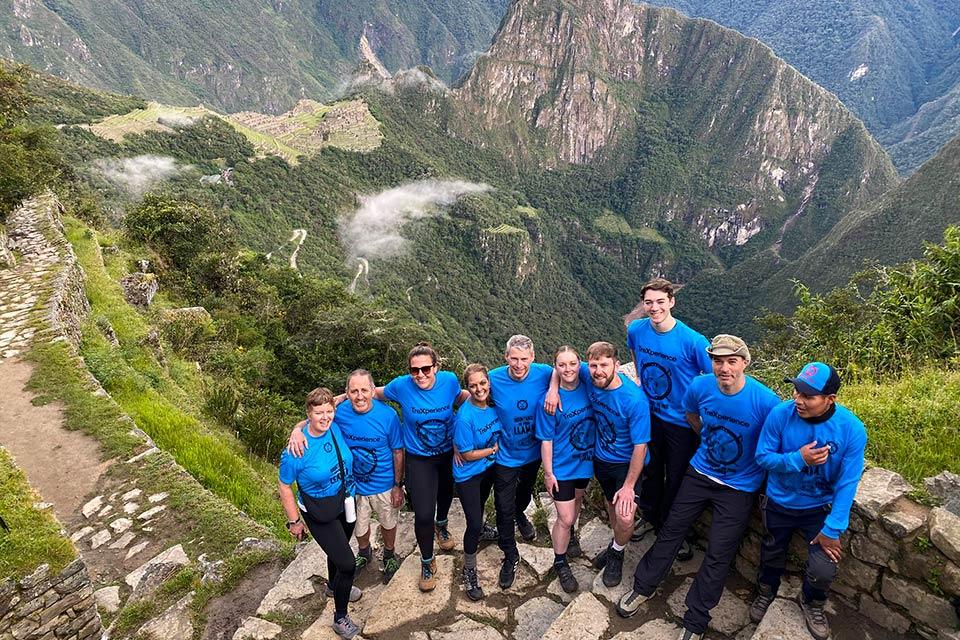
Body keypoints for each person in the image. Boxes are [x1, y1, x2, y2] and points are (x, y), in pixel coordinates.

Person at [616, 335, 780, 640]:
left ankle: (695, 618)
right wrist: (707, 440)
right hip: (700, 471)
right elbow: (691, 414)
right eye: (718, 361)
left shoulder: (766, 402)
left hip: (739, 487)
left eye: (732, 361)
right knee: (671, 530)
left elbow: (774, 443)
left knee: (719, 552)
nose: (724, 368)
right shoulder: (700, 386)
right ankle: (643, 587)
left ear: (745, 363)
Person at [287, 342, 465, 592]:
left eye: (426, 368)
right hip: (414, 460)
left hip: (445, 453)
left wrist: (486, 401)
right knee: (419, 515)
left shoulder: (448, 381)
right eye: (415, 370)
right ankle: (426, 561)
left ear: (436, 367)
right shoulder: (400, 387)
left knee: (444, 495)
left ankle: (441, 524)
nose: (421, 374)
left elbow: (460, 396)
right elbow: (320, 417)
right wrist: (298, 429)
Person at [749, 362, 867, 640]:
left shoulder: (851, 429)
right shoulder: (781, 415)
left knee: (824, 568)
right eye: (796, 391)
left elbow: (848, 482)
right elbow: (762, 456)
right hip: (779, 501)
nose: (798, 400)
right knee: (772, 552)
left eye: (807, 396)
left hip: (818, 508)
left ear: (830, 400)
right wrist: (798, 458)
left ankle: (813, 601)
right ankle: (766, 590)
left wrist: (833, 527)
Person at [627, 278, 711, 560]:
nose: (654, 307)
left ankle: (672, 530)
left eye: (660, 301)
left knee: (677, 476)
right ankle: (650, 517)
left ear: (672, 302)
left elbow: (713, 377)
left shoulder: (693, 341)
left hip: (680, 422)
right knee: (651, 470)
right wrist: (640, 378)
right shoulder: (637, 330)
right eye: (649, 302)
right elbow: (633, 351)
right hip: (650, 415)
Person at [279, 388, 361, 639]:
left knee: (339, 548)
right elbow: (284, 485)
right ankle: (340, 617)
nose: (325, 417)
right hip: (318, 511)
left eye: (328, 412)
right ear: (308, 414)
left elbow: (333, 401)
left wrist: (348, 395)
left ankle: (333, 586)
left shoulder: (332, 425)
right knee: (347, 564)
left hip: (344, 500)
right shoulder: (297, 448)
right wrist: (294, 522)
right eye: (318, 413)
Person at [580, 341, 650, 588]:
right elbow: (561, 367)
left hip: (626, 464)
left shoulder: (634, 400)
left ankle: (617, 552)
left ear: (617, 366)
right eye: (593, 365)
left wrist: (630, 485)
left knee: (625, 516)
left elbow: (640, 446)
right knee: (612, 506)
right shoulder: (589, 377)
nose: (598, 371)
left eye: (604, 365)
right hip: (602, 461)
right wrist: (555, 389)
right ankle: (615, 544)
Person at [488, 334, 554, 588]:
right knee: (502, 507)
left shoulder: (544, 373)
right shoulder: (494, 377)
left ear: (533, 358)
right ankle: (510, 553)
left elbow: (564, 372)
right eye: (513, 358)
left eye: (524, 359)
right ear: (505, 357)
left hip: (533, 454)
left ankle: (520, 514)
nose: (518, 364)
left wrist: (555, 389)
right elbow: (473, 391)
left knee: (524, 496)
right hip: (505, 455)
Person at [335, 370, 405, 584]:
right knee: (359, 526)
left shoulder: (388, 416)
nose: (359, 396)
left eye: (364, 390)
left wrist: (397, 485)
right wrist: (297, 431)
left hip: (384, 484)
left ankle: (389, 555)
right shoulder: (339, 413)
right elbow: (315, 421)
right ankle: (364, 553)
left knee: (388, 521)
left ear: (373, 391)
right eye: (354, 391)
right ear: (346, 393)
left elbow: (398, 451)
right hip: (354, 486)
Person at [535, 345, 595, 593]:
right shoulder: (549, 402)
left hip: (585, 462)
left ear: (579, 364)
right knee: (565, 516)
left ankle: (572, 538)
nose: (568, 369)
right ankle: (560, 561)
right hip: (562, 467)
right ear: (555, 368)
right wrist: (548, 473)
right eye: (562, 365)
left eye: (572, 364)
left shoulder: (588, 384)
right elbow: (546, 439)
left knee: (578, 500)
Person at [453, 364, 502, 600]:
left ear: (488, 383)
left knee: (481, 507)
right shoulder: (466, 416)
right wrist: (492, 449)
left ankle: (483, 529)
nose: (478, 388)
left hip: (488, 469)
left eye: (482, 383)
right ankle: (469, 568)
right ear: (468, 387)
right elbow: (466, 454)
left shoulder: (494, 404)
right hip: (469, 474)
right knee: (472, 522)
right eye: (473, 385)